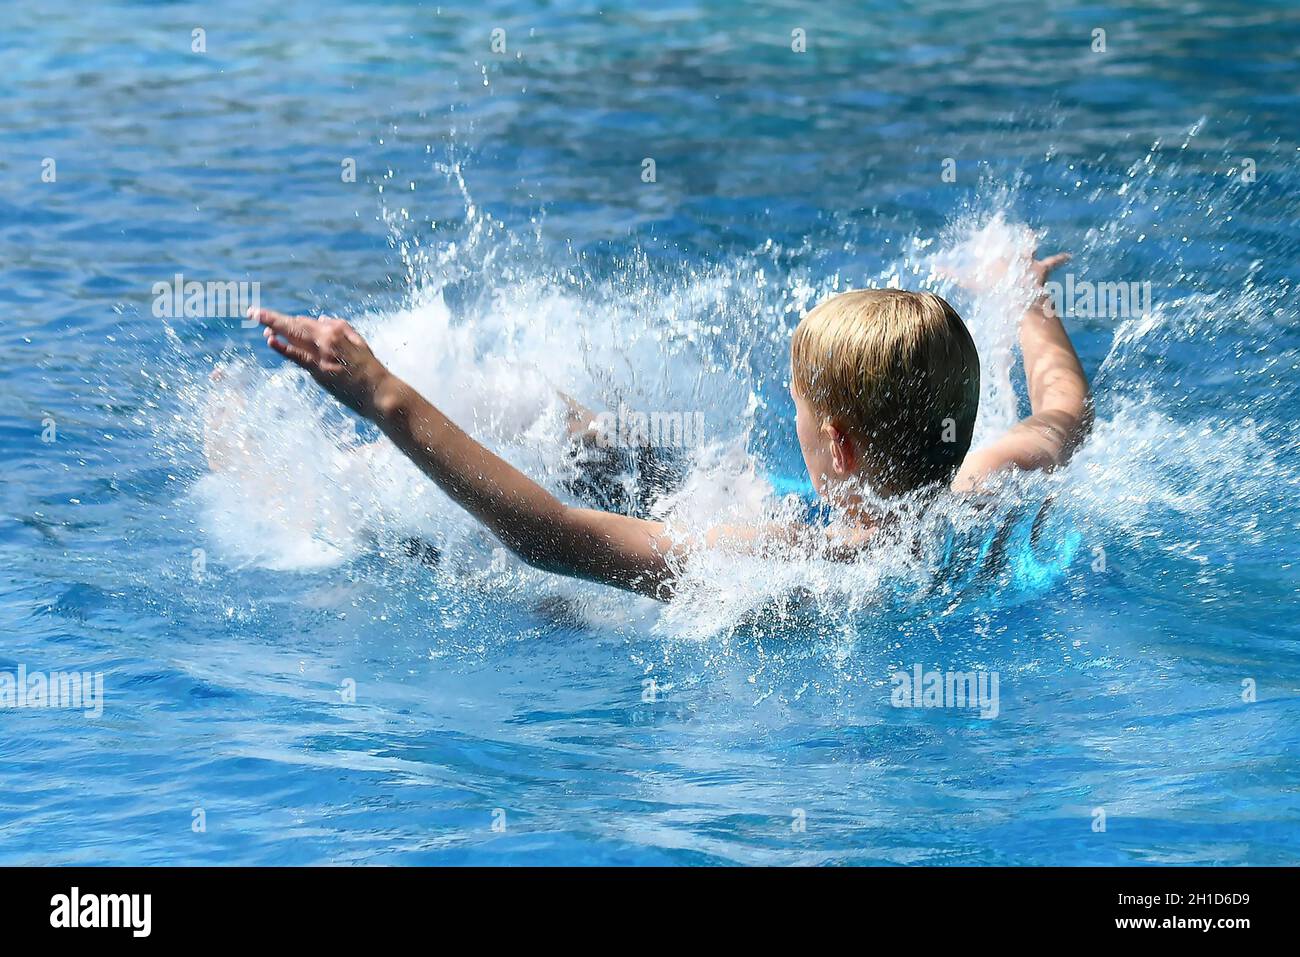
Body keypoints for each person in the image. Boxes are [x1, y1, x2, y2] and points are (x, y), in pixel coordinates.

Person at [250, 245, 1091, 600]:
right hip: (753, 513)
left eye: (799, 406)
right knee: (626, 461)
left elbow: (549, 536)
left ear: (835, 444)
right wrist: (1026, 296)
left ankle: (267, 466)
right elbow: (1062, 409)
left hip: (708, 553)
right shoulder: (986, 487)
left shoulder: (815, 567)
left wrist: (382, 393)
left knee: (480, 573)